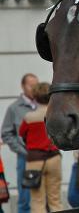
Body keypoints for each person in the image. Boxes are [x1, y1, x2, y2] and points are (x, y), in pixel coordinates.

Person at [19, 82, 62, 213]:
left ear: (35, 97)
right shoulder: (56, 115)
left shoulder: (28, 117)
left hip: (35, 160)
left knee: (37, 200)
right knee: (55, 199)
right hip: (54, 158)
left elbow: (21, 134)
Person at [1, 73, 38, 213]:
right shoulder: (14, 108)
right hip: (25, 159)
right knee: (25, 199)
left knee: (43, 198)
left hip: (44, 158)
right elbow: (6, 133)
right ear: (23, 86)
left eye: (36, 85)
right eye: (31, 85)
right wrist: (23, 151)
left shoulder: (44, 105)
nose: (34, 88)